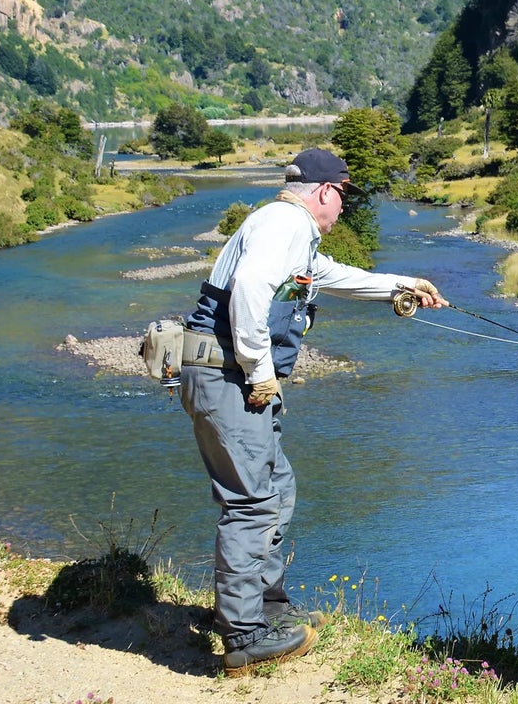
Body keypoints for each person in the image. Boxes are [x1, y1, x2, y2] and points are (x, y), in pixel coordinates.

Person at [178, 147, 445, 676]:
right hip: (229, 377)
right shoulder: (287, 224)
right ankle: (243, 636)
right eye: (343, 195)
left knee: (277, 487)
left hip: (229, 376)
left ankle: (266, 609)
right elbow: (252, 289)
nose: (343, 207)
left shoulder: (286, 228)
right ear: (325, 191)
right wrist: (259, 372)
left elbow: (331, 276)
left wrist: (402, 284)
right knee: (252, 502)